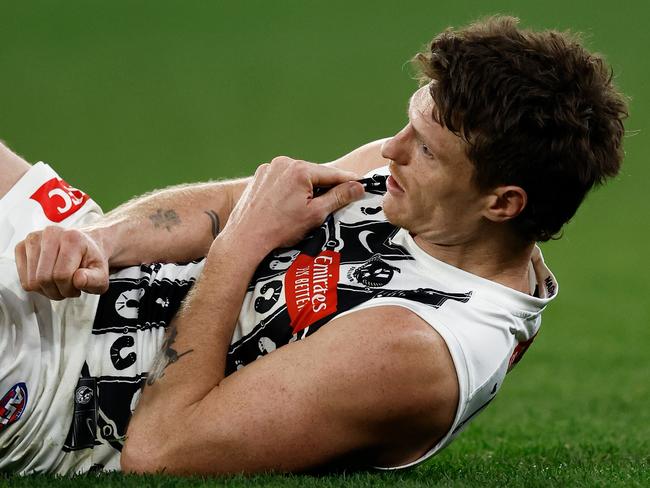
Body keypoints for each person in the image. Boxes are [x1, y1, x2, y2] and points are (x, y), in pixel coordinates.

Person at [0, 16, 627, 476]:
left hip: (51, 388)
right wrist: (95, 239)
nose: (391, 151)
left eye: (426, 148)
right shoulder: (421, 194)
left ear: (503, 203)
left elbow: (161, 451)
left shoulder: (417, 349)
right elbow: (227, 208)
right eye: (408, 123)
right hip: (85, 287)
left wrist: (242, 244)